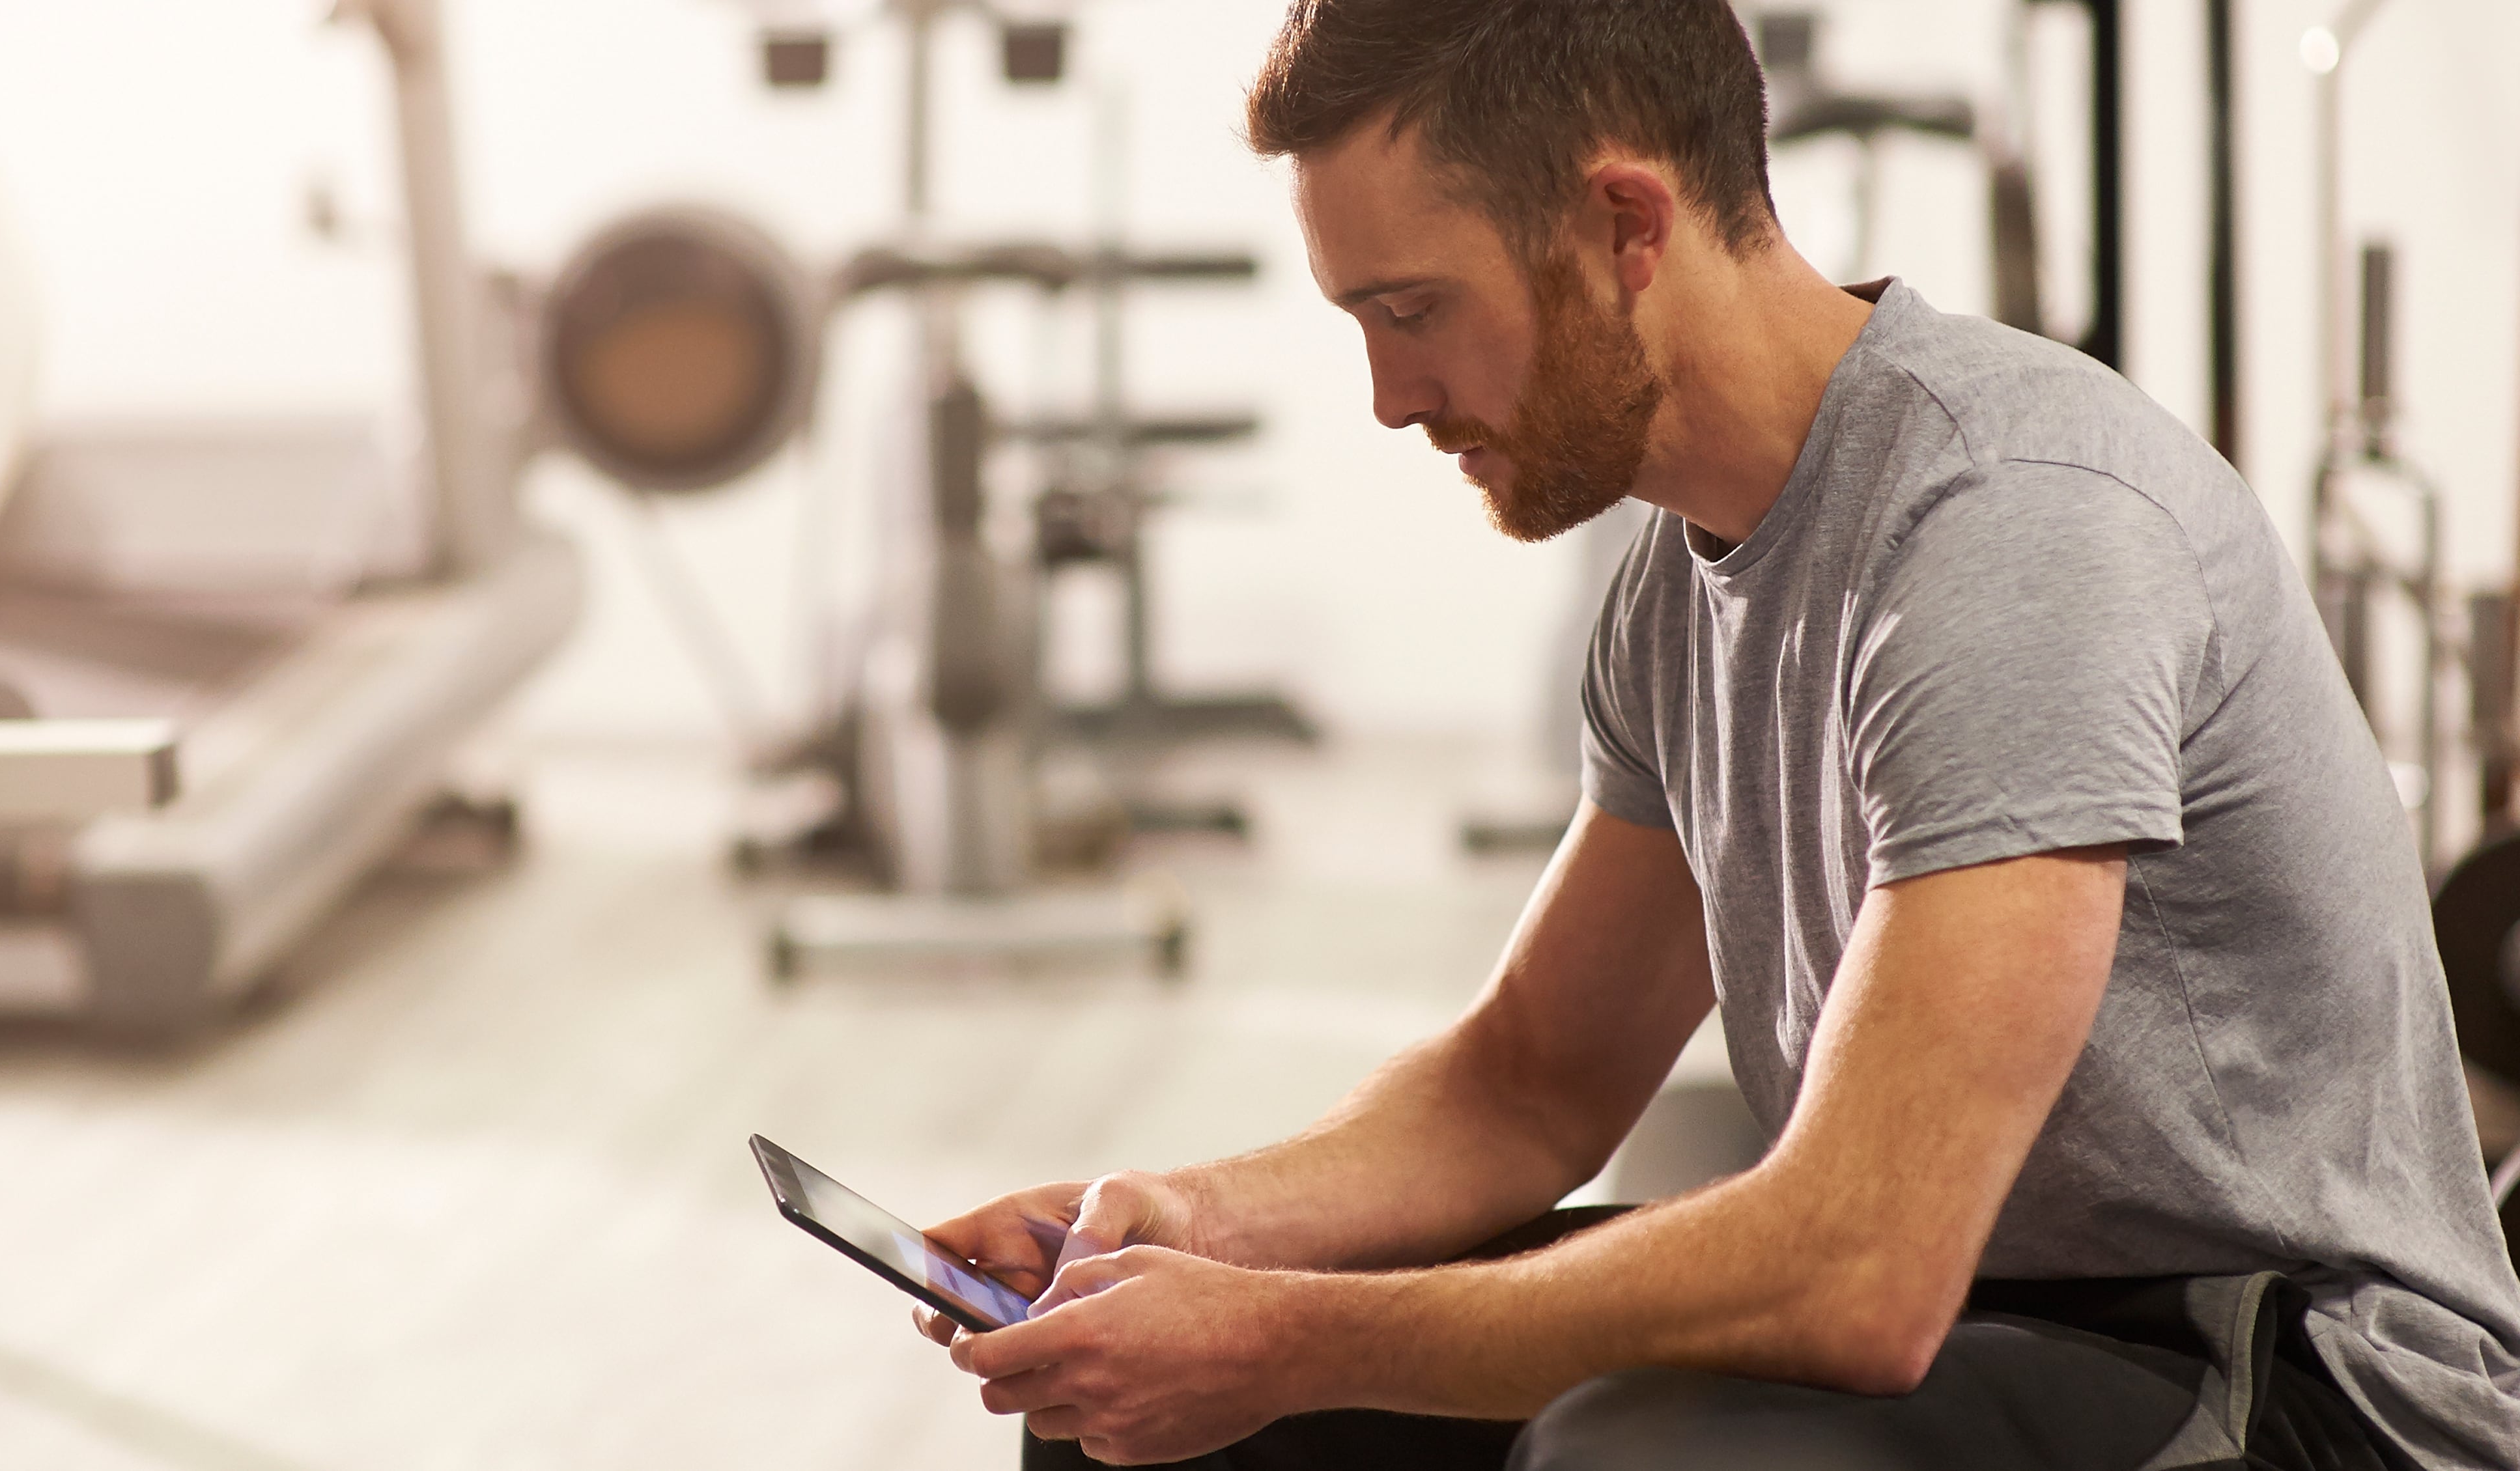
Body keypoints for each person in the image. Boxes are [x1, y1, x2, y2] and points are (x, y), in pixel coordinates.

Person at [911, 2, 2520, 1466]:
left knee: (1642, 1456)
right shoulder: (1681, 585)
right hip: (1989, 1319)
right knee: (1150, 1423)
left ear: (1621, 223)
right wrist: (1194, 1227)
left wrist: (1277, 1334)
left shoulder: (2012, 522)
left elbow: (1859, 1270)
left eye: (1413, 308)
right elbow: (1530, 1082)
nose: (1391, 396)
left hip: (2294, 1377)